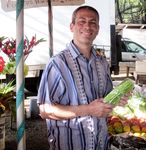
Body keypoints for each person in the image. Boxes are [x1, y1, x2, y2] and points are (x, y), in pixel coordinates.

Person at [37, 5, 128, 150]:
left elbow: (104, 101)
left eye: (93, 22)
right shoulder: (57, 64)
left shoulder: (103, 63)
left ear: (97, 29)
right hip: (70, 144)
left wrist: (117, 100)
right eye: (82, 21)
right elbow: (45, 110)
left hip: (100, 143)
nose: (87, 26)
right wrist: (89, 110)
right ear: (72, 27)